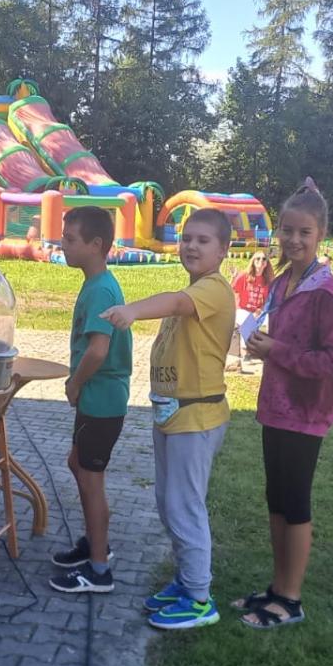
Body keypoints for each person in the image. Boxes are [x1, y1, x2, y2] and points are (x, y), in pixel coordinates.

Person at [101, 208, 234, 630]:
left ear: (223, 250)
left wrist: (131, 311)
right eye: (186, 238)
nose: (191, 246)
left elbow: (175, 303)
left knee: (184, 507)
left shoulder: (212, 290)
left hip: (197, 417)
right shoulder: (195, 289)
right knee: (168, 503)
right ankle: (186, 579)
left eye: (203, 240)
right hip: (173, 415)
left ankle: (199, 599)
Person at [235, 180, 333, 629]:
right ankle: (276, 586)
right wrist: (264, 343)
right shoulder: (284, 281)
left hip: (306, 412)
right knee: (276, 500)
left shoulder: (325, 292)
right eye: (287, 230)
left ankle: (291, 598)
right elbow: (285, 342)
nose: (294, 239)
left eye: (304, 232)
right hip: (276, 406)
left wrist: (276, 351)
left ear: (321, 234)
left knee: (295, 501)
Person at [49, 207, 132, 594]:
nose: (62, 244)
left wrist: (74, 384)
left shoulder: (101, 289)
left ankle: (99, 570)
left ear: (96, 245)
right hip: (97, 399)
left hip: (101, 399)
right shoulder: (97, 282)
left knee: (90, 478)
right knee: (77, 464)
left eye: (70, 239)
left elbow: (98, 350)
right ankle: (94, 541)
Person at [229, 250, 273, 373]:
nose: (261, 261)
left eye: (264, 259)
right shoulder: (244, 276)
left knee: (273, 320)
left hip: (258, 311)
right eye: (257, 258)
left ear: (267, 263)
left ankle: (270, 351)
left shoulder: (268, 281)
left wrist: (260, 310)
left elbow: (268, 301)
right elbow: (231, 290)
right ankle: (245, 353)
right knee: (248, 319)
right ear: (253, 261)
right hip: (240, 309)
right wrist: (233, 277)